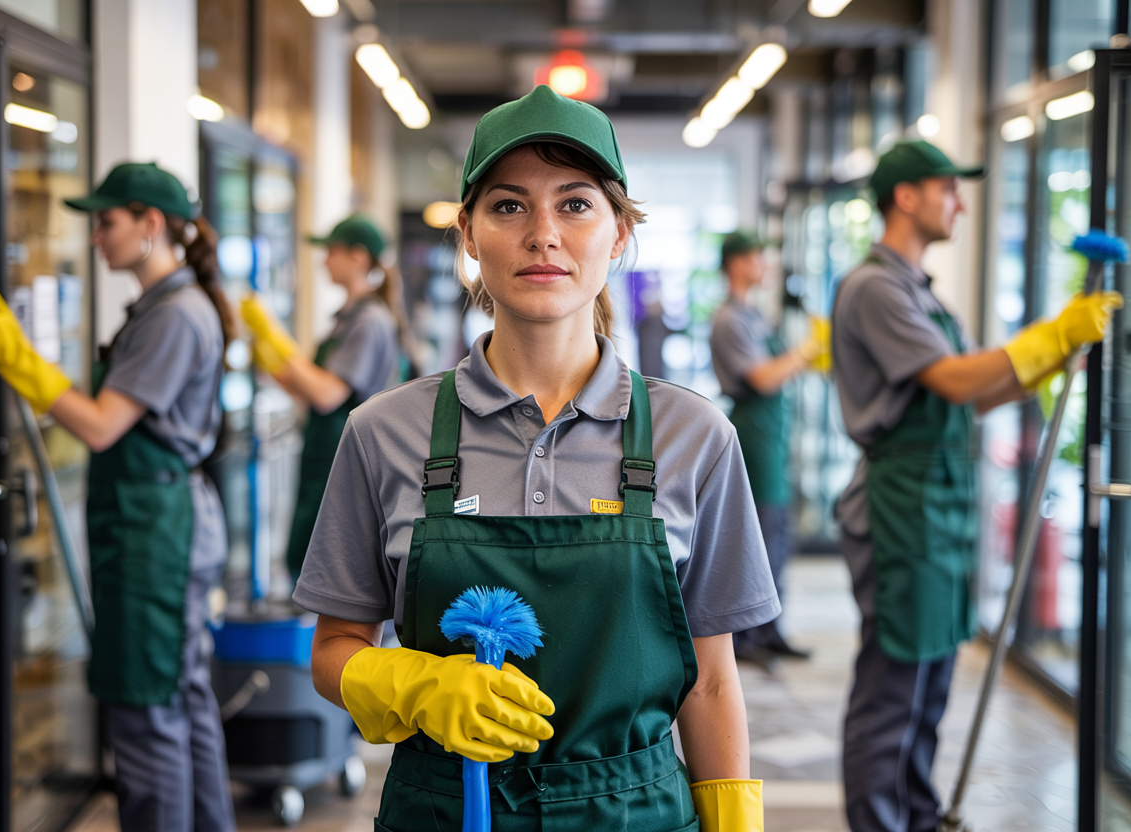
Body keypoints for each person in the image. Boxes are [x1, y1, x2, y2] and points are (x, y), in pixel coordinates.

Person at [297, 84, 777, 832]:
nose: (543, 234)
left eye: (576, 204)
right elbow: (334, 648)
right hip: (447, 811)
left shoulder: (696, 437)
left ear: (619, 233)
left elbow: (711, 683)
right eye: (510, 205)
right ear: (468, 232)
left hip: (636, 815)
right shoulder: (384, 431)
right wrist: (411, 683)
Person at [831, 140, 1121, 832]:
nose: (959, 201)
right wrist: (1050, 336)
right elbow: (955, 380)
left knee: (928, 690)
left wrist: (1054, 359)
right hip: (902, 506)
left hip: (939, 506)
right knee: (893, 691)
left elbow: (972, 397)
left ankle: (917, 815)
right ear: (906, 197)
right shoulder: (874, 287)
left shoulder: (921, 293)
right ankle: (880, 823)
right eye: (947, 189)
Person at [0, 162, 238, 832]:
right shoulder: (162, 306)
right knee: (179, 703)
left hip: (156, 538)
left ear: (151, 224)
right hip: (153, 526)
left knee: (147, 713)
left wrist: (16, 355)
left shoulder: (175, 314)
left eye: (106, 223)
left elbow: (103, 424)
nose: (95, 238)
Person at [240, 215, 404, 581]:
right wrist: (271, 360)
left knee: (332, 573)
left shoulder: (369, 320)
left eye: (331, 252)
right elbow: (309, 392)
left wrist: (276, 336)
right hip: (323, 457)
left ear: (358, 258)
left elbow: (328, 394)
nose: (323, 261)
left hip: (343, 459)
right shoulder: (346, 318)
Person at [710, 229, 828, 669]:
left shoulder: (754, 315)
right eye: (758, 258)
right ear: (738, 263)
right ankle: (746, 636)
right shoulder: (730, 320)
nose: (765, 267)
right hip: (753, 435)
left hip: (772, 437)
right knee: (757, 534)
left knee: (777, 533)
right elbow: (762, 377)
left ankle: (770, 628)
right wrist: (808, 351)